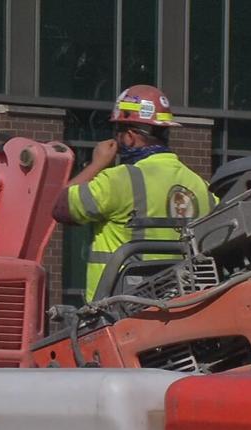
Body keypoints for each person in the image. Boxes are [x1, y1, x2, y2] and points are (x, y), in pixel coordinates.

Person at [52, 84, 215, 302]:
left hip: (117, 312)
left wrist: (96, 164)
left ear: (129, 136)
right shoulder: (200, 186)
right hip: (179, 310)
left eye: (118, 132)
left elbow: (61, 207)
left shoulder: (119, 180)